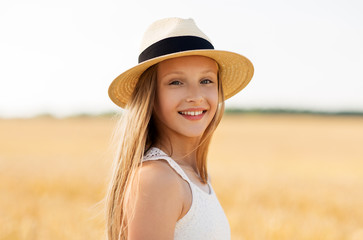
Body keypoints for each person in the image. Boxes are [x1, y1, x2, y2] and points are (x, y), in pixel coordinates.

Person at [106, 17, 254, 240]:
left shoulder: (194, 176)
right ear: (150, 96)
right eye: (176, 82)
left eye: (206, 81)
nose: (196, 96)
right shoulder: (158, 180)